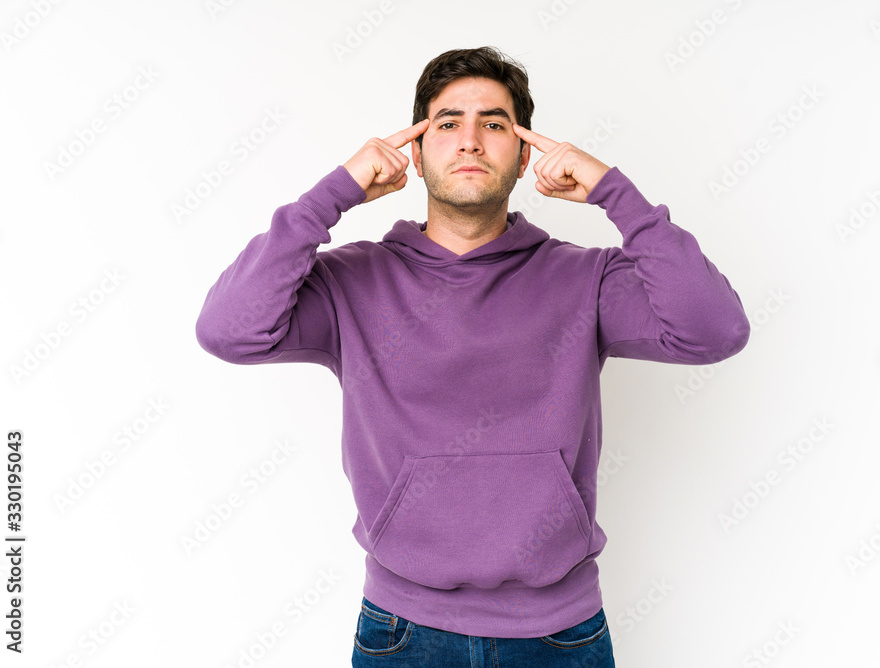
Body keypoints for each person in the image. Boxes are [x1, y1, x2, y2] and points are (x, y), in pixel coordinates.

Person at [195, 45, 750, 667]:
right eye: (447, 123)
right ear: (415, 150)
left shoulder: (585, 279)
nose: (469, 141)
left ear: (522, 158)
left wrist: (613, 193)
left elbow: (715, 330)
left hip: (561, 632)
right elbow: (228, 331)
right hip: (402, 630)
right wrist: (334, 195)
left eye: (494, 124)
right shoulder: (352, 282)